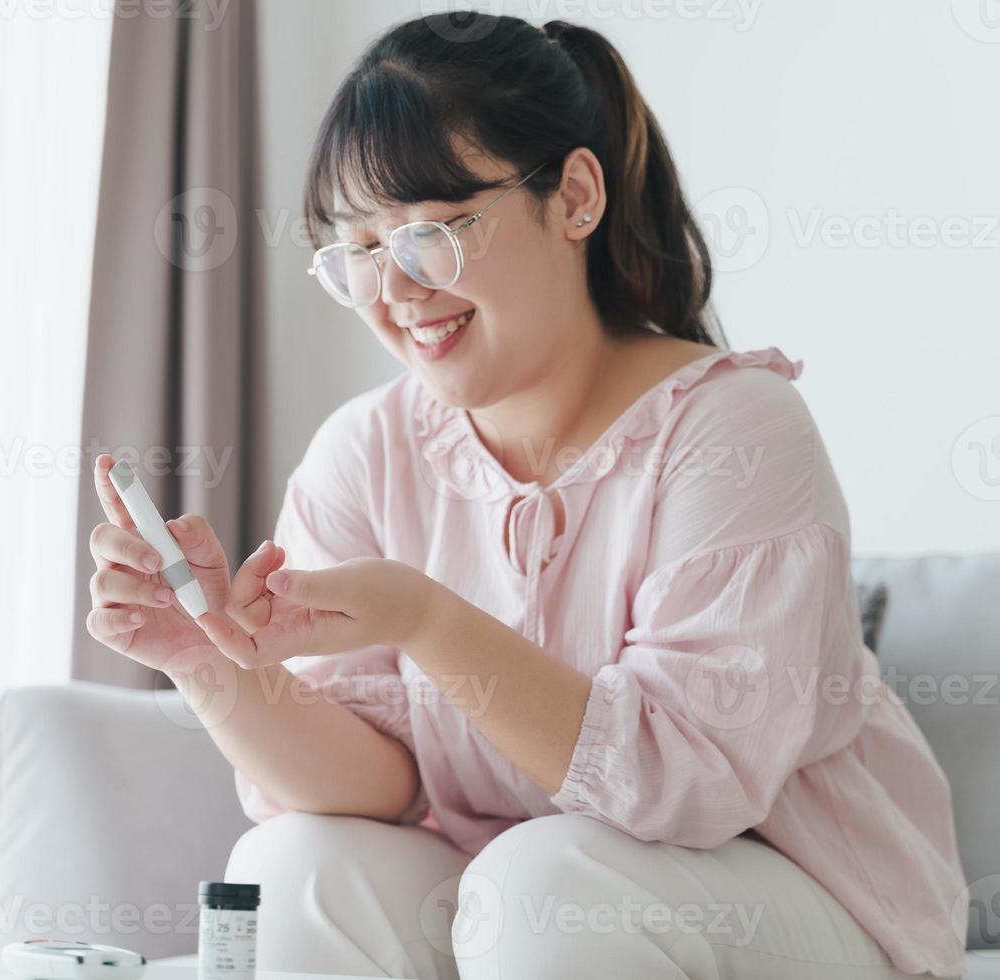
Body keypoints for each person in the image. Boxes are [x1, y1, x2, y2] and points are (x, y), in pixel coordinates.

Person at [86, 13, 966, 979]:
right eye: (360, 250)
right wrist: (206, 663)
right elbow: (374, 784)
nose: (395, 290)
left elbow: (683, 783)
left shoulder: (734, 431)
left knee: (545, 888)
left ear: (575, 198)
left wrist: (424, 618)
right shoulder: (366, 452)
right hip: (532, 893)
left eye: (428, 233)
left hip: (794, 897)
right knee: (295, 863)